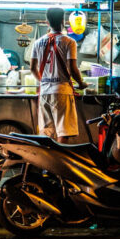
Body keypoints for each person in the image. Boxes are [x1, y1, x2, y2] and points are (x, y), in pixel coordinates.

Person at [30, 7, 88, 144]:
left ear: (46, 22)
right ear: (63, 21)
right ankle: (58, 163)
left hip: (44, 91)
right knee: (64, 131)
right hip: (62, 91)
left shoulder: (38, 43)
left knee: (47, 132)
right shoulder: (69, 42)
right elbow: (72, 69)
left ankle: (47, 165)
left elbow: (32, 68)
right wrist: (81, 83)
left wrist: (43, 81)